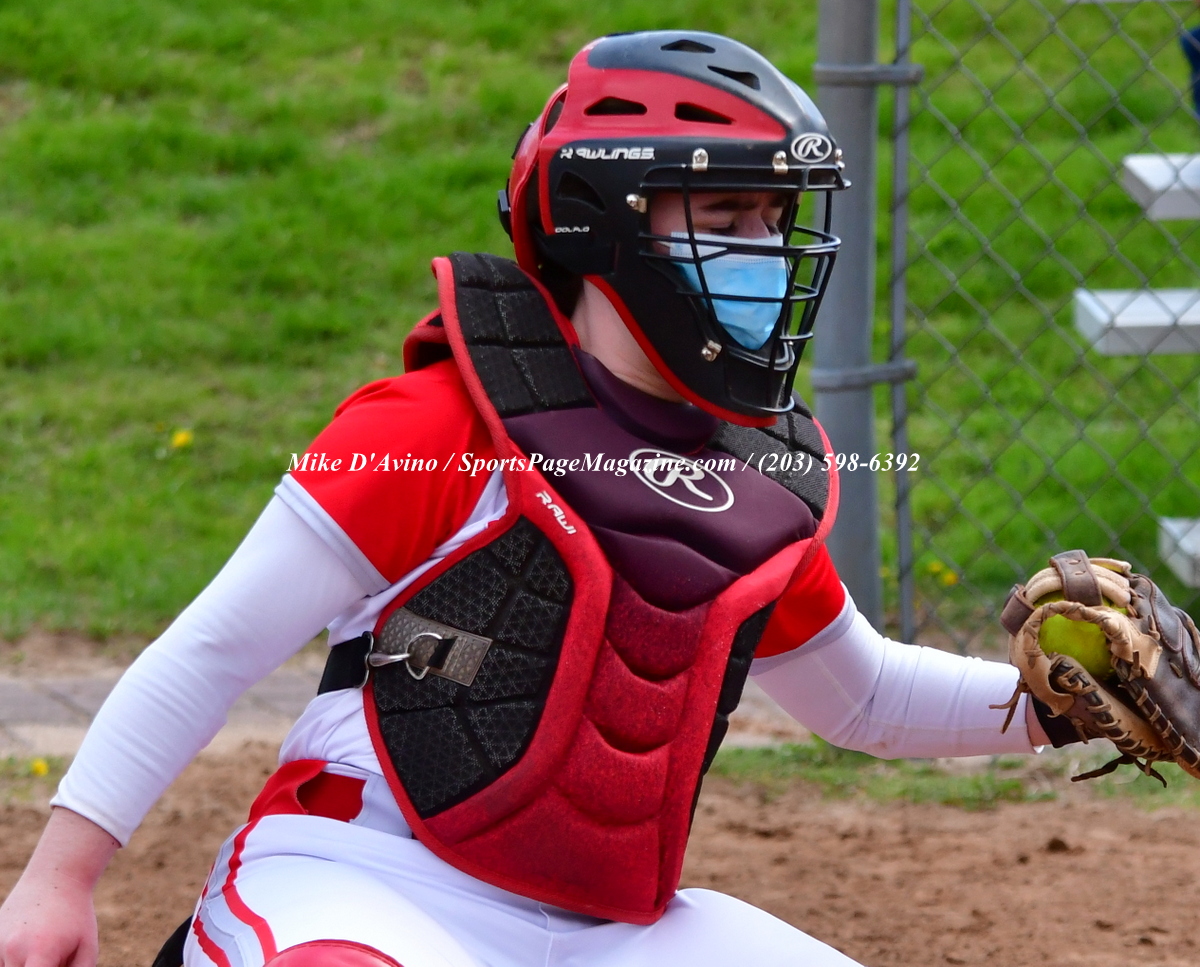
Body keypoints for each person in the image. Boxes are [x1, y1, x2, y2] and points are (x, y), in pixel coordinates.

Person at [0, 30, 1057, 967]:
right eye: (724, 213)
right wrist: (59, 879)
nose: (765, 251)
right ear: (602, 224)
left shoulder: (754, 477)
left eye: (775, 217)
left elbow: (865, 698)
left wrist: (1063, 704)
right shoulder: (435, 424)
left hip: (608, 929)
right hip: (361, 878)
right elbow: (212, 651)